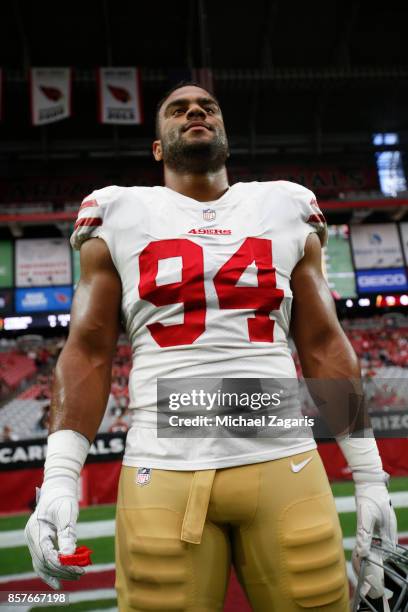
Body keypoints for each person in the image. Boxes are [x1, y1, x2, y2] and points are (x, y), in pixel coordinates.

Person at [25, 82, 397, 611]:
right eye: (178, 109)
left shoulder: (285, 205)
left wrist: (370, 477)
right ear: (158, 147)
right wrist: (60, 479)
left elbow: (321, 342)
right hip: (164, 469)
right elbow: (86, 351)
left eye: (208, 107)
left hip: (284, 462)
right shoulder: (118, 211)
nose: (196, 111)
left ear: (224, 134)